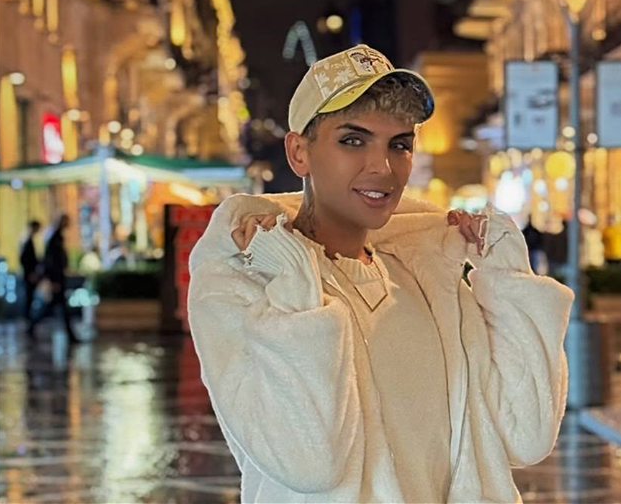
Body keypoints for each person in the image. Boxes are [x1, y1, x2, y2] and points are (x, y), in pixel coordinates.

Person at [188, 45, 573, 504]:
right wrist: (294, 287)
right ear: (298, 152)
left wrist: (506, 275)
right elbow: (311, 463)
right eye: (353, 140)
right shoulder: (246, 284)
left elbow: (527, 434)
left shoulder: (426, 277)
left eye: (399, 144)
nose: (382, 166)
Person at [27, 214, 79, 342]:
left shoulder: (56, 237)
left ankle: (70, 334)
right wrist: (54, 280)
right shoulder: (55, 239)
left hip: (58, 279)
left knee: (54, 306)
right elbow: (52, 261)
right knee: (53, 306)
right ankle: (33, 326)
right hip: (57, 279)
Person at [20, 220, 42, 325]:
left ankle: (29, 321)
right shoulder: (27, 241)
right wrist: (30, 273)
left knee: (29, 298)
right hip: (29, 275)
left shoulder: (29, 241)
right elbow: (25, 259)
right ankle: (28, 321)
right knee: (29, 298)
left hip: (29, 274)